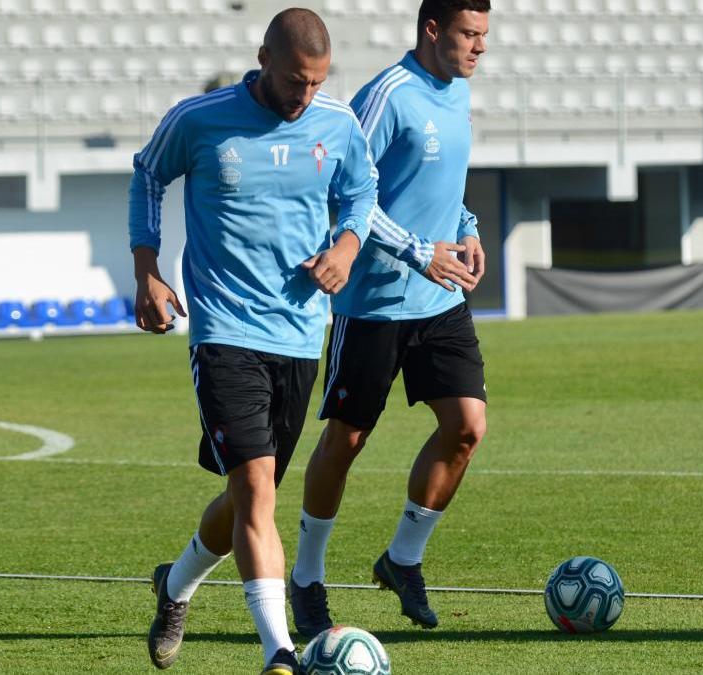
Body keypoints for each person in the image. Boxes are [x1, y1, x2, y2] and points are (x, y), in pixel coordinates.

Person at [129, 8, 381, 674]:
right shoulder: (199, 119)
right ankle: (280, 653)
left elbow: (362, 192)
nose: (305, 96)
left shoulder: (337, 124)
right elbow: (148, 174)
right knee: (258, 494)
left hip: (300, 335)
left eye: (316, 83)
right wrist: (147, 273)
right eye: (296, 80)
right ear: (264, 57)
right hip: (224, 331)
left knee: (249, 497)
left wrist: (348, 248)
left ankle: (175, 583)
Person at [288, 0, 492, 640]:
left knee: (466, 427)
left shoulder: (456, 93)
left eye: (484, 35)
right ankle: (307, 578)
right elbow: (346, 192)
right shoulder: (387, 96)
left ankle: (402, 560)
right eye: (468, 34)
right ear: (432, 30)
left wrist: (467, 228)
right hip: (373, 302)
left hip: (441, 296)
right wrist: (414, 251)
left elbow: (443, 185)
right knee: (346, 441)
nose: (479, 47)